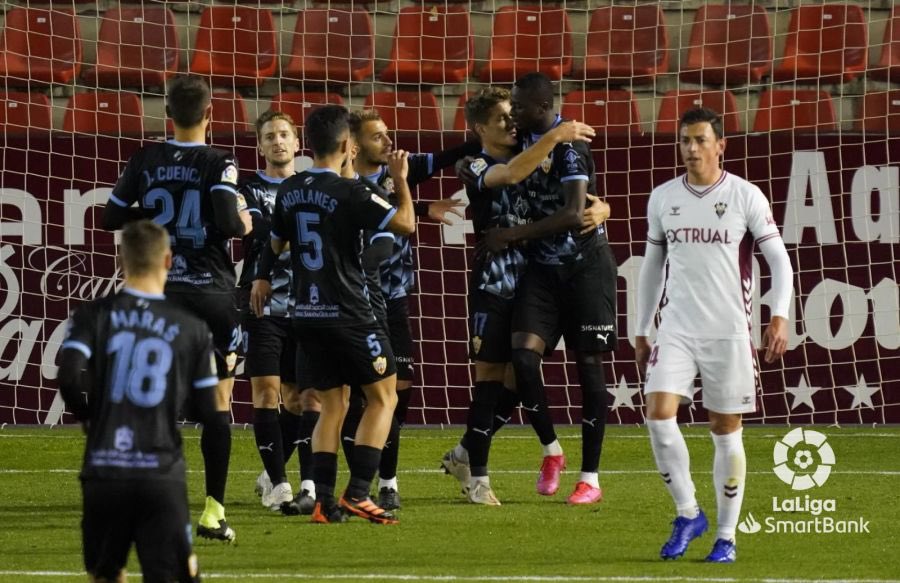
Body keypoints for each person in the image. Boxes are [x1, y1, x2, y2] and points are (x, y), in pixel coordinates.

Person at [635, 107, 792, 562]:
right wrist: (642, 328)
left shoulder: (746, 197)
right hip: (677, 328)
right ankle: (688, 513)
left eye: (701, 140)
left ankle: (726, 537)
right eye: (685, 140)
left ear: (720, 145)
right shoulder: (664, 198)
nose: (691, 149)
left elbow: (779, 262)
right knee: (658, 415)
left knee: (725, 430)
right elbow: (651, 268)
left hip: (728, 331)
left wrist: (778, 316)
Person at [101, 75, 250, 542]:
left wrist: (151, 213)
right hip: (212, 293)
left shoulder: (146, 158)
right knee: (219, 402)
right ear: (211, 115)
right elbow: (228, 222)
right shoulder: (218, 161)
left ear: (167, 114)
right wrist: (243, 223)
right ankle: (213, 512)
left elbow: (110, 216)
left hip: (162, 290)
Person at [251, 104, 415, 524]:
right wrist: (399, 181)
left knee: (332, 404)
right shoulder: (353, 192)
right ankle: (359, 491)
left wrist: (262, 278)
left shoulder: (289, 189)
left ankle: (323, 501)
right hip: (350, 312)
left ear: (307, 144)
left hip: (305, 314)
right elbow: (406, 224)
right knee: (384, 397)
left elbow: (274, 241)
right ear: (347, 144)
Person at [442, 87, 605, 505]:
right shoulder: (473, 162)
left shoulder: (535, 146)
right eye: (501, 118)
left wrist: (602, 208)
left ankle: (464, 451)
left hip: (535, 279)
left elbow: (569, 200)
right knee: (489, 380)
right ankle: (478, 478)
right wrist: (558, 134)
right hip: (494, 285)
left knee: (519, 379)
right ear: (480, 127)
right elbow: (510, 175)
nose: (511, 121)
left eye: (513, 113)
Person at [481, 72, 618, 505]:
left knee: (589, 369)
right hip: (542, 271)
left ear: (542, 107)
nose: (513, 115)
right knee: (522, 358)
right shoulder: (522, 142)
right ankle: (551, 450)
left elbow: (576, 213)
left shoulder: (571, 145)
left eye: (519, 107)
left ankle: (591, 478)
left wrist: (512, 235)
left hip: (585, 269)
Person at [58, 220, 218, 583]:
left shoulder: (92, 315)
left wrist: (89, 415)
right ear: (168, 261)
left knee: (107, 573)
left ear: (120, 260)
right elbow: (210, 411)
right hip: (160, 473)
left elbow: (68, 376)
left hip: (104, 470)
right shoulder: (192, 327)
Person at [345, 109, 477, 510]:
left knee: (399, 392)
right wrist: (417, 208)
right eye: (377, 137)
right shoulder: (343, 183)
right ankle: (362, 481)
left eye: (387, 134)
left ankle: (386, 479)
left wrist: (504, 128)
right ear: (353, 146)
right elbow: (375, 213)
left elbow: (454, 152)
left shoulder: (397, 169)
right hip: (354, 301)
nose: (388, 142)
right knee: (354, 398)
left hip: (394, 299)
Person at [237, 110, 321, 515]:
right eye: (269, 135)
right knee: (266, 393)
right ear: (260, 145)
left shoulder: (311, 185)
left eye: (284, 134)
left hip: (307, 305)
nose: (277, 141)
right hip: (263, 304)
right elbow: (262, 231)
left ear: (297, 143)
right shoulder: (247, 189)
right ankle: (280, 486)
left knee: (299, 399)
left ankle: (277, 473)